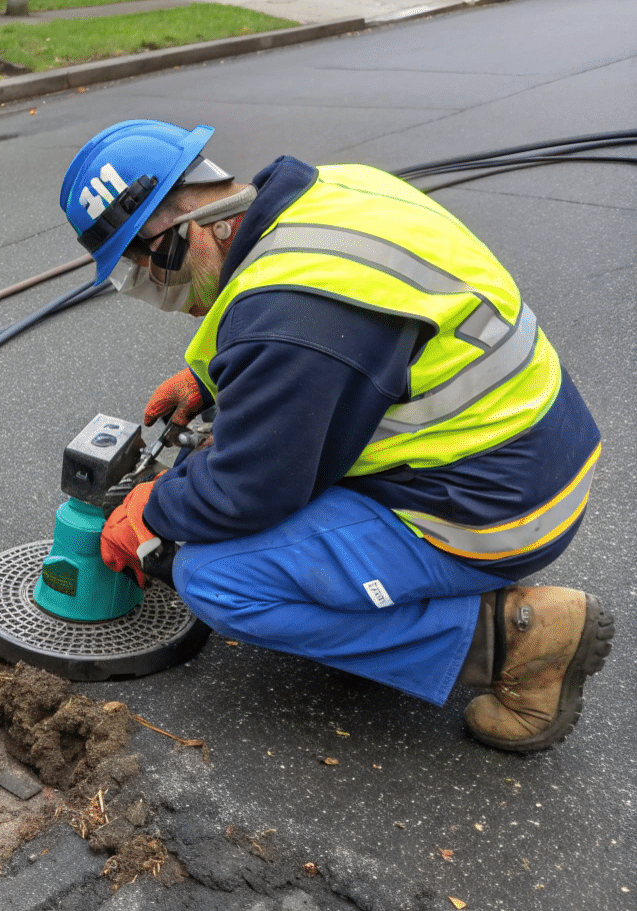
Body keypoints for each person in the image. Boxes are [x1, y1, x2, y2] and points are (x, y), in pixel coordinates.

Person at [59, 120, 613, 752]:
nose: (158, 293)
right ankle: (376, 604)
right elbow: (318, 327)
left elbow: (249, 489)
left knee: (216, 576)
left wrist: (153, 508)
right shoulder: (335, 192)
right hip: (536, 451)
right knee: (265, 479)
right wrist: (207, 377)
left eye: (147, 273)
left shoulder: (292, 317)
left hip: (496, 511)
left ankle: (516, 640)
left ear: (185, 233)